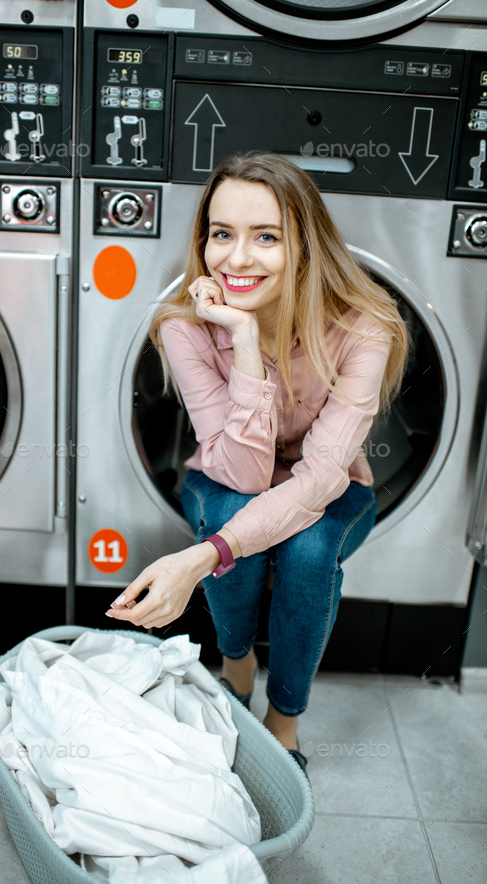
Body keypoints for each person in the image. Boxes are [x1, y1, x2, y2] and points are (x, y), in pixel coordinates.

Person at [104, 151, 408, 771]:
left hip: (333, 487)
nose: (237, 258)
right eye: (222, 234)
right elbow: (242, 473)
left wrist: (204, 557)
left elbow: (321, 477)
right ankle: (237, 661)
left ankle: (283, 718)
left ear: (306, 244)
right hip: (221, 474)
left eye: (266, 237)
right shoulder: (186, 329)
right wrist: (243, 340)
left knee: (308, 546)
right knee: (237, 509)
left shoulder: (364, 327)